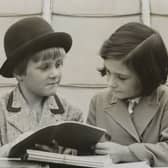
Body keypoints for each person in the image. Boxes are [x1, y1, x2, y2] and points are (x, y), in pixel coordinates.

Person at [87, 22, 168, 167]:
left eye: (122, 77)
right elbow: (87, 151)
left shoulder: (165, 100)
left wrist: (127, 153)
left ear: (148, 75)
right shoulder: (98, 101)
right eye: (108, 72)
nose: (111, 83)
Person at [0, 17, 83, 157]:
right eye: (45, 67)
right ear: (19, 73)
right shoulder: (1, 112)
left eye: (58, 64)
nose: (55, 74)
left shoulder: (72, 115)